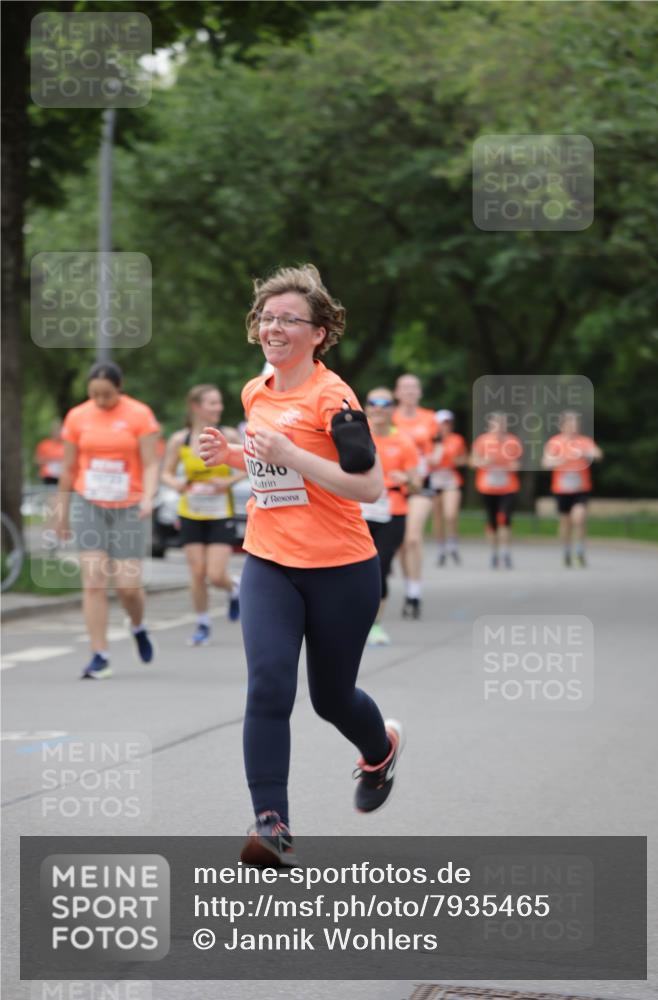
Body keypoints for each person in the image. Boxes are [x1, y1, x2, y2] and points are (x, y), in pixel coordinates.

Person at [199, 264, 404, 866]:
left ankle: (380, 750)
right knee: (268, 685)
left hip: (342, 567)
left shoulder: (334, 397)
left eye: (290, 319)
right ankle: (273, 824)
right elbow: (276, 473)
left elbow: (368, 485)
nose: (275, 327)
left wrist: (288, 450)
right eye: (267, 317)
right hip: (269, 561)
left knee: (331, 699)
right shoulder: (254, 392)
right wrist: (234, 455)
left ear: (319, 333)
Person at [55, 361, 160, 679]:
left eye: (107, 395)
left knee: (128, 587)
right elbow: (69, 468)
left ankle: (138, 626)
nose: (100, 401)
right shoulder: (77, 417)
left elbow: (151, 463)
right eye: (94, 394)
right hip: (89, 503)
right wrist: (61, 511)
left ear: (120, 387)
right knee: (94, 580)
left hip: (129, 504)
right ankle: (99, 655)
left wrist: (148, 496)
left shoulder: (139, 415)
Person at [161, 385, 245, 645]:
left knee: (216, 574)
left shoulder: (229, 434)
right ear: (196, 407)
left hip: (220, 512)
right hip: (191, 512)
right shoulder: (181, 440)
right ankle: (202, 624)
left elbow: (252, 464)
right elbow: (166, 473)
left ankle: (234, 589)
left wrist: (228, 483)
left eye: (219, 403)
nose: (218, 408)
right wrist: (177, 485)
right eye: (212, 403)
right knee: (197, 572)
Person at [361, 387, 420, 646]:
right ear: (366, 408)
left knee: (379, 566)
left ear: (392, 409)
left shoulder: (403, 441)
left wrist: (406, 478)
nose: (379, 408)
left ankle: (374, 624)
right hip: (361, 509)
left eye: (385, 403)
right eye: (374, 403)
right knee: (355, 567)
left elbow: (418, 483)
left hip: (393, 511)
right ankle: (353, 620)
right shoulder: (359, 436)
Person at [391, 373, 441, 619]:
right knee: (401, 542)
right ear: (397, 393)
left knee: (412, 537)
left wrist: (435, 456)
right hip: (395, 483)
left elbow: (438, 444)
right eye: (405, 388)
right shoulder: (391, 417)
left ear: (419, 393)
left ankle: (415, 592)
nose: (410, 392)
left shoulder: (430, 418)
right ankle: (410, 590)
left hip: (421, 483)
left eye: (414, 387)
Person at [542, 411, 603, 567]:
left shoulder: (584, 441)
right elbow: (545, 462)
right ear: (562, 426)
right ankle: (566, 551)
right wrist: (558, 459)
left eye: (576, 423)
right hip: (561, 489)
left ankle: (580, 550)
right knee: (565, 522)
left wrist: (587, 453)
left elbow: (598, 454)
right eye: (570, 423)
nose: (574, 426)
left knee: (579, 517)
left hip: (581, 488)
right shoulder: (555, 442)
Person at [470, 412, 522, 569]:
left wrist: (509, 465)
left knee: (505, 519)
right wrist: (485, 461)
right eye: (496, 424)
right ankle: (494, 553)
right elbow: (472, 462)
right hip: (488, 487)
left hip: (508, 487)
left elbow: (518, 464)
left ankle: (505, 552)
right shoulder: (482, 441)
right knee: (492, 521)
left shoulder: (513, 441)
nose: (500, 427)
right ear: (490, 425)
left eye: (503, 424)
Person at [429, 409, 468, 567]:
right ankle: (441, 548)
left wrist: (456, 460)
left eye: (447, 423)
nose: (444, 426)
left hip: (450, 478)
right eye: (441, 423)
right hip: (434, 478)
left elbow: (464, 458)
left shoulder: (457, 439)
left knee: (450, 514)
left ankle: (452, 542)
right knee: (437, 517)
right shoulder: (431, 439)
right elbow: (427, 460)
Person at [34, 420, 65, 485]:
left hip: (62, 476)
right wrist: (51, 459)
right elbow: (37, 461)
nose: (58, 432)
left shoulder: (66, 445)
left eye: (59, 430)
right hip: (48, 477)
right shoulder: (44, 444)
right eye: (56, 430)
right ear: (51, 431)